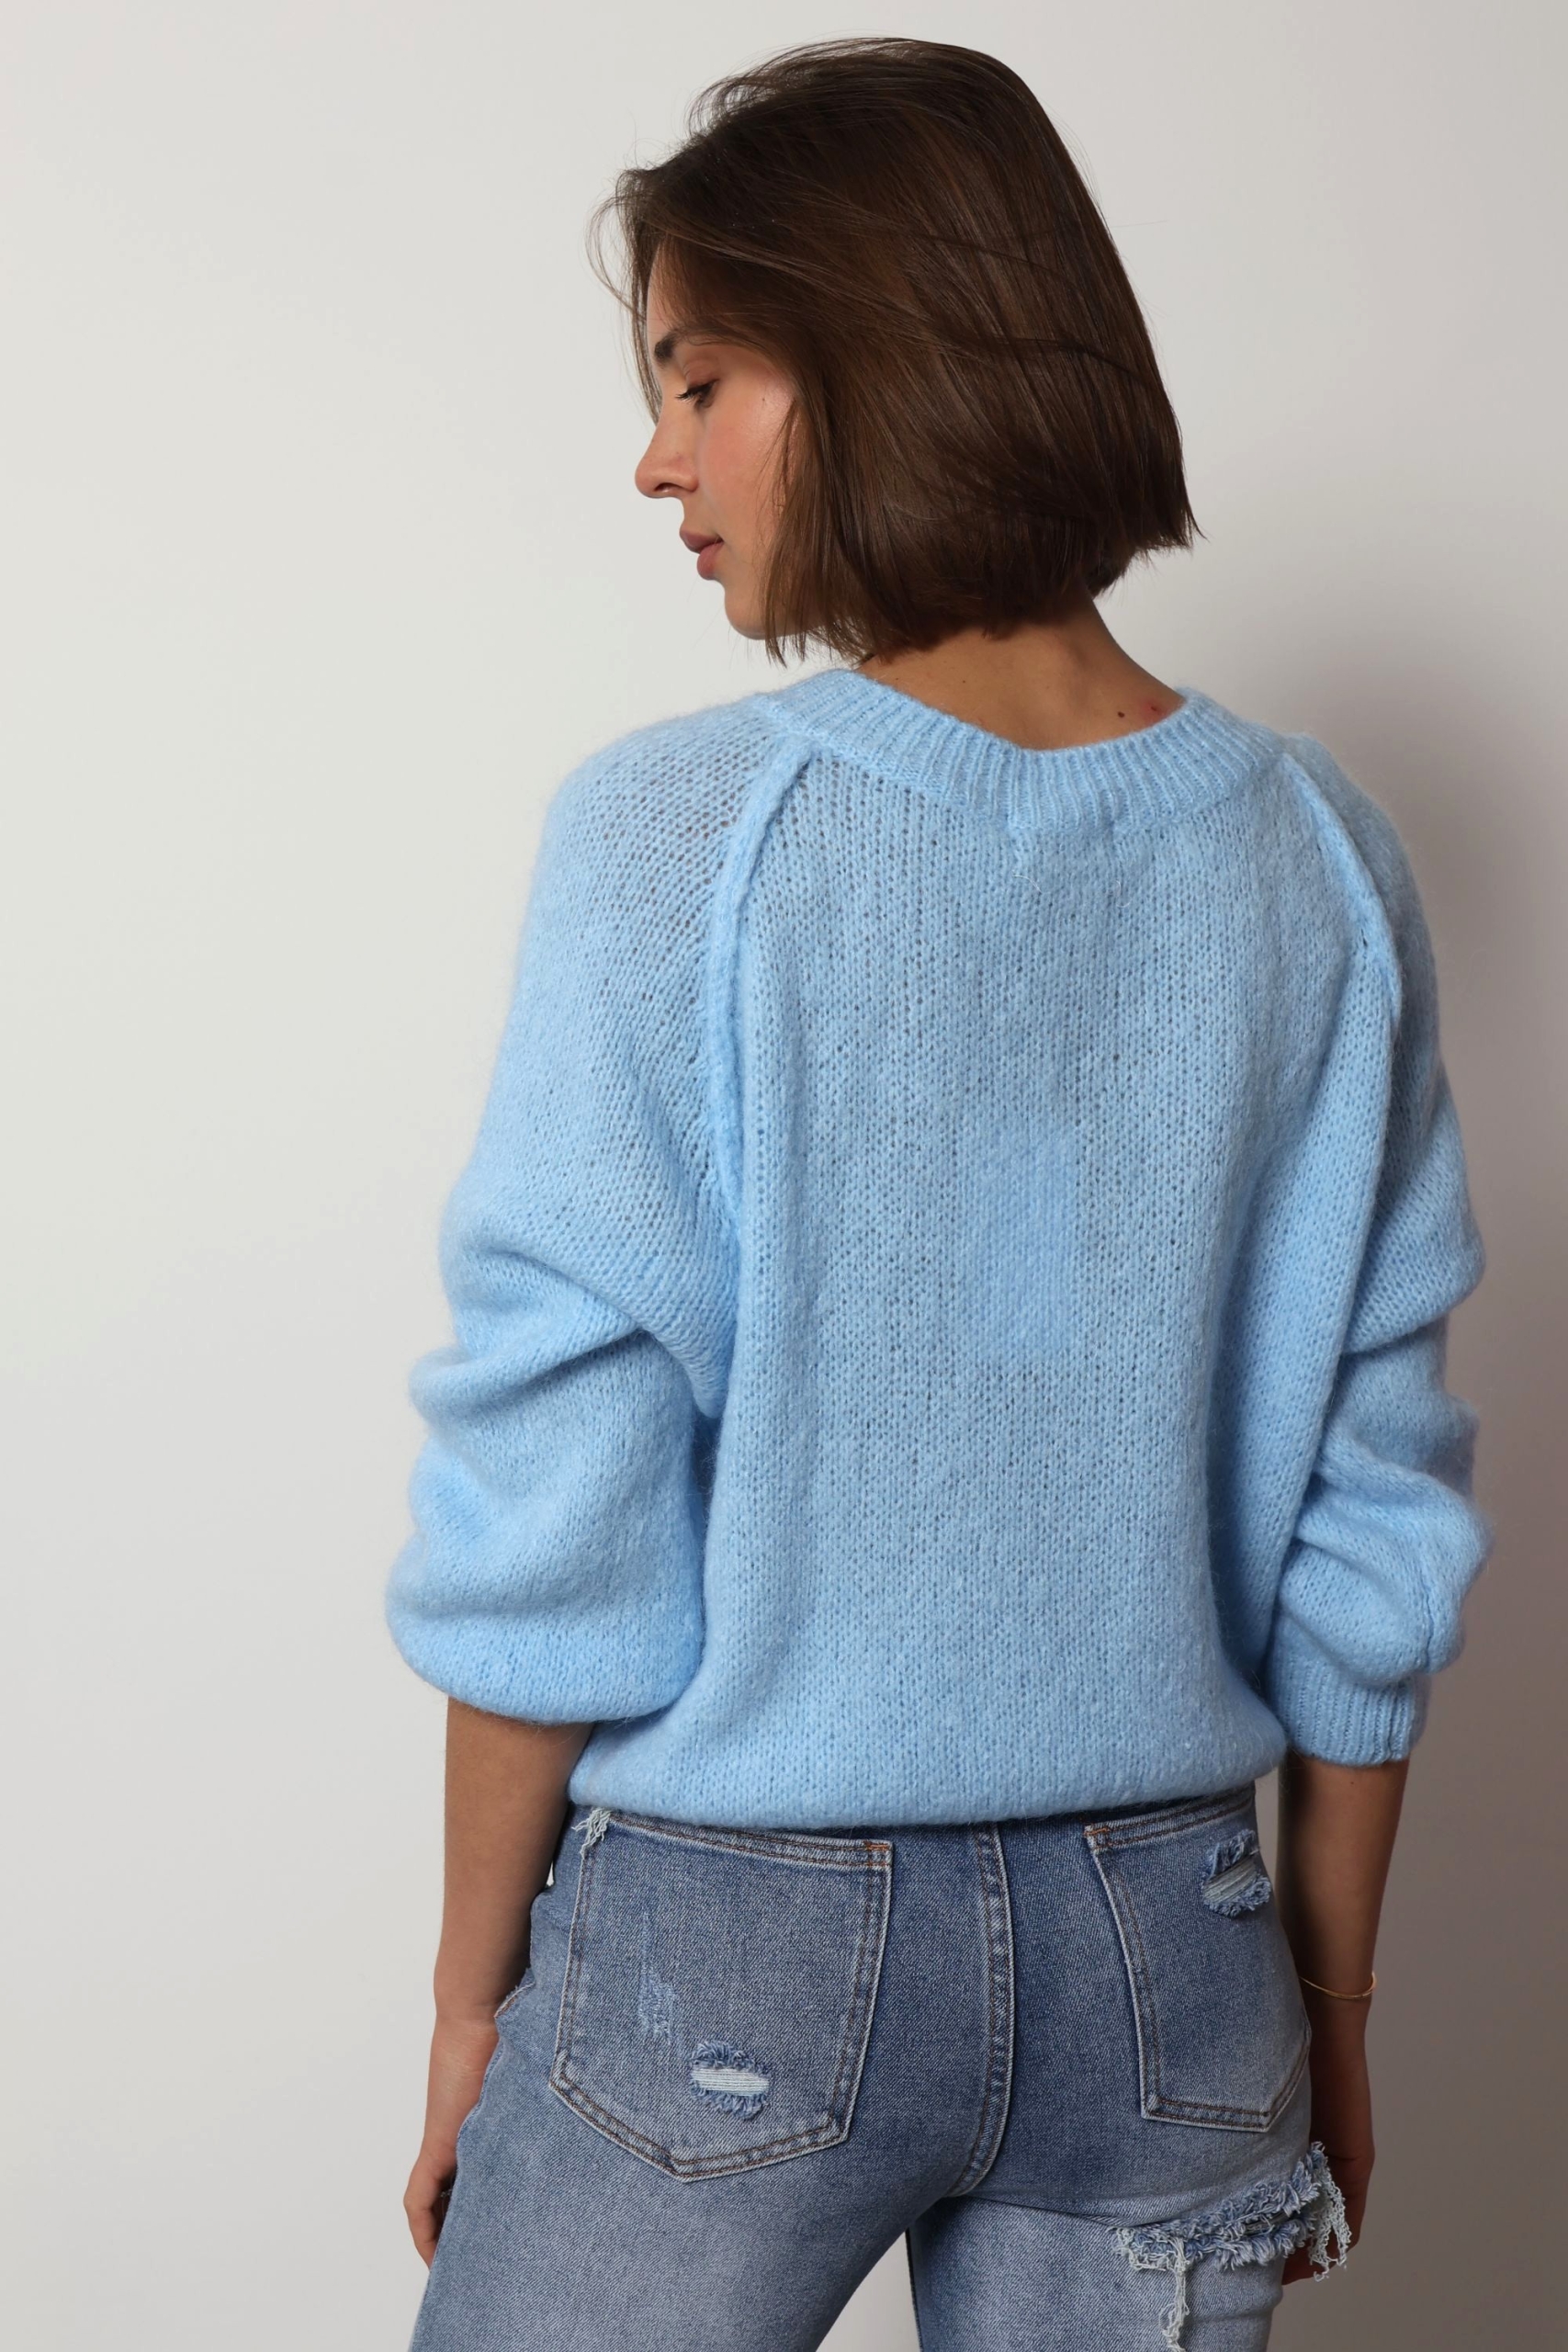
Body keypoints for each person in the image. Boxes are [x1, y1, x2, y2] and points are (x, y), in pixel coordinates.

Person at [383, 37, 1491, 2352]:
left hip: (731, 1947)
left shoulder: (680, 839)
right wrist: (1328, 2004)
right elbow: (1370, 1509)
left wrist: (471, 1995)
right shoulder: (1320, 860)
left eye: (698, 379)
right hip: (1177, 1960)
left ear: (870, 356)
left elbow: (560, 1492)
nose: (656, 459)